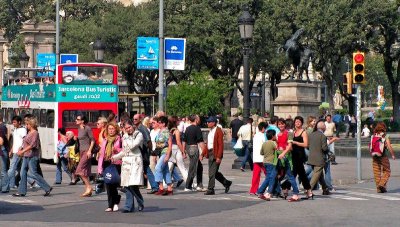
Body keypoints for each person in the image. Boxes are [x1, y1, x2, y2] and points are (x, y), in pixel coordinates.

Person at [13, 117, 52, 197]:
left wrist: (22, 151)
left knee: (33, 173)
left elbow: (32, 145)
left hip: (32, 156)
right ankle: (21, 191)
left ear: (31, 124)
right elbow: (25, 142)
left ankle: (47, 187)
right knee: (22, 173)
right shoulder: (29, 132)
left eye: (27, 124)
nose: (26, 126)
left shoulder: (35, 133)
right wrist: (21, 148)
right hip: (26, 156)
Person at [112, 120, 144, 213]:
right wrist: (115, 157)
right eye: (126, 128)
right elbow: (124, 150)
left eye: (129, 127)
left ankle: (140, 202)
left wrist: (126, 137)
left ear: (133, 126)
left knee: (133, 185)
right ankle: (128, 206)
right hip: (126, 162)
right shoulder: (125, 136)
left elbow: (133, 146)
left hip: (135, 162)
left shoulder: (139, 135)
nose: (128, 130)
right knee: (126, 186)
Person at [201, 116, 232, 195]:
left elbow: (220, 145)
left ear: (214, 123)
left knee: (212, 173)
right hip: (210, 152)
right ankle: (226, 182)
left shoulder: (218, 131)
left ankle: (211, 189)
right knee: (214, 172)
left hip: (216, 153)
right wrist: (202, 154)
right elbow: (208, 144)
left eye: (209, 122)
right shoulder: (210, 131)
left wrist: (219, 156)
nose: (207, 123)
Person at [97, 122, 123, 212]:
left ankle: (116, 200)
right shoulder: (105, 140)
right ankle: (110, 205)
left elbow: (123, 150)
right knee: (108, 184)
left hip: (116, 163)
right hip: (106, 163)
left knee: (114, 184)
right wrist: (100, 168)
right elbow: (102, 154)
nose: (111, 130)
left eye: (112, 129)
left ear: (116, 129)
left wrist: (117, 149)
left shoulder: (119, 139)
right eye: (109, 129)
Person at [275, 118, 300, 202]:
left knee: (290, 176)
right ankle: (276, 191)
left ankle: (296, 193)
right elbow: (277, 145)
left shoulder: (289, 133)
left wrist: (283, 153)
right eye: (279, 124)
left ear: (285, 124)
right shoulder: (278, 134)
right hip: (279, 157)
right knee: (276, 175)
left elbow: (290, 146)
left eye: (282, 124)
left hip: (286, 157)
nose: (281, 125)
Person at [183, 114, 206, 192]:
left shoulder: (187, 128)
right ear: (196, 120)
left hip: (188, 148)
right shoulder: (197, 129)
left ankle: (199, 185)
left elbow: (184, 140)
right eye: (198, 118)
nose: (199, 120)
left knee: (199, 166)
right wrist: (203, 152)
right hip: (194, 148)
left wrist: (183, 151)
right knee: (193, 167)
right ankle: (188, 186)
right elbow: (200, 141)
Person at [291, 116, 312, 199]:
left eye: (299, 121)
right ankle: (309, 190)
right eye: (296, 121)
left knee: (295, 173)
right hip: (293, 154)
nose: (297, 123)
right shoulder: (293, 132)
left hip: (300, 155)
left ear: (302, 123)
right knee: (300, 174)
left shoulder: (303, 132)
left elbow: (306, 144)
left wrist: (296, 142)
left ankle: (285, 187)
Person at [371, 122, 395, 193]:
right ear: (384, 127)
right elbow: (389, 146)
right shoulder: (385, 135)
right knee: (387, 171)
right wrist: (393, 154)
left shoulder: (374, 135)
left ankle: (379, 189)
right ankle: (381, 184)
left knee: (377, 172)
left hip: (374, 156)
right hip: (383, 156)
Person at [74, 115, 95, 197]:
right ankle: (88, 190)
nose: (76, 120)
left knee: (79, 170)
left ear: (82, 121)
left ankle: (89, 187)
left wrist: (89, 151)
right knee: (85, 171)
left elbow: (92, 140)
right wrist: (76, 138)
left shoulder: (87, 128)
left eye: (78, 119)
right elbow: (82, 139)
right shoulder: (79, 128)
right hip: (81, 151)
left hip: (87, 151)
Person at [308, 121, 330, 196]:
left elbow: (308, 146)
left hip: (311, 158)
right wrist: (328, 150)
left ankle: (325, 189)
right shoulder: (322, 136)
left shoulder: (311, 135)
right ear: (323, 127)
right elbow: (324, 148)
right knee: (316, 175)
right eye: (325, 125)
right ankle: (309, 189)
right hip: (319, 158)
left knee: (320, 175)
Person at [5, 116, 27, 191]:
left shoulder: (23, 130)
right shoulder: (15, 130)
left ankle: (4, 183)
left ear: (19, 122)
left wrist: (21, 149)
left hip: (18, 153)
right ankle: (32, 182)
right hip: (14, 152)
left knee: (11, 169)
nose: (13, 124)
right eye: (13, 122)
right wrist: (11, 150)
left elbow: (25, 140)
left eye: (15, 122)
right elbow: (15, 142)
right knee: (20, 170)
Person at [154, 116, 174, 195]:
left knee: (158, 168)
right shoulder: (160, 131)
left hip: (165, 152)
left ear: (164, 124)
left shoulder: (166, 132)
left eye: (159, 123)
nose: (158, 124)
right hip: (161, 152)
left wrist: (167, 155)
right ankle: (169, 189)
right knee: (165, 170)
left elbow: (170, 144)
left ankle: (161, 188)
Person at [257, 130, 278, 201]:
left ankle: (260, 191)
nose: (276, 136)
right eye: (275, 135)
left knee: (268, 177)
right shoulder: (273, 143)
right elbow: (277, 150)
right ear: (272, 136)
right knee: (271, 178)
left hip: (265, 162)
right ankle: (268, 192)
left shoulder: (264, 143)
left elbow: (261, 152)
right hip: (271, 162)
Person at [249, 122, 268, 195]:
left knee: (256, 175)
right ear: (263, 128)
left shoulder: (255, 136)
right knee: (268, 174)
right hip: (263, 158)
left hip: (256, 157)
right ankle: (270, 188)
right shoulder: (264, 136)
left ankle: (253, 190)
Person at [168, 116, 187, 186]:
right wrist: (183, 152)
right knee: (182, 168)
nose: (179, 121)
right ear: (176, 122)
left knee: (169, 168)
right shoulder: (176, 131)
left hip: (169, 149)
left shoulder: (168, 130)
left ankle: (166, 184)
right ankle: (189, 184)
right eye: (178, 120)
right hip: (176, 149)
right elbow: (178, 142)